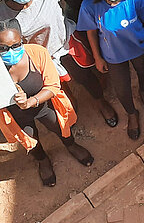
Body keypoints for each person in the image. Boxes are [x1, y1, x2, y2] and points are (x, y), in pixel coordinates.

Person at [0, 0, 118, 126]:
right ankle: (70, 108)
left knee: (85, 77)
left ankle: (99, 101)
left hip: (64, 45)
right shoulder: (2, 14)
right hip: (37, 60)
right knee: (56, 88)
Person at [0, 19, 93, 187]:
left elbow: (53, 86)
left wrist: (31, 102)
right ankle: (42, 160)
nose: (10, 51)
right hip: (17, 116)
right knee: (30, 140)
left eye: (15, 45)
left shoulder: (37, 53)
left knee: (60, 127)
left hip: (43, 107)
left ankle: (70, 145)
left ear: (22, 40)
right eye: (3, 48)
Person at [77, 0, 144, 140]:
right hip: (113, 55)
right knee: (121, 88)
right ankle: (131, 113)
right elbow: (91, 33)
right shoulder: (90, 5)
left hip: (138, 47)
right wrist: (98, 58)